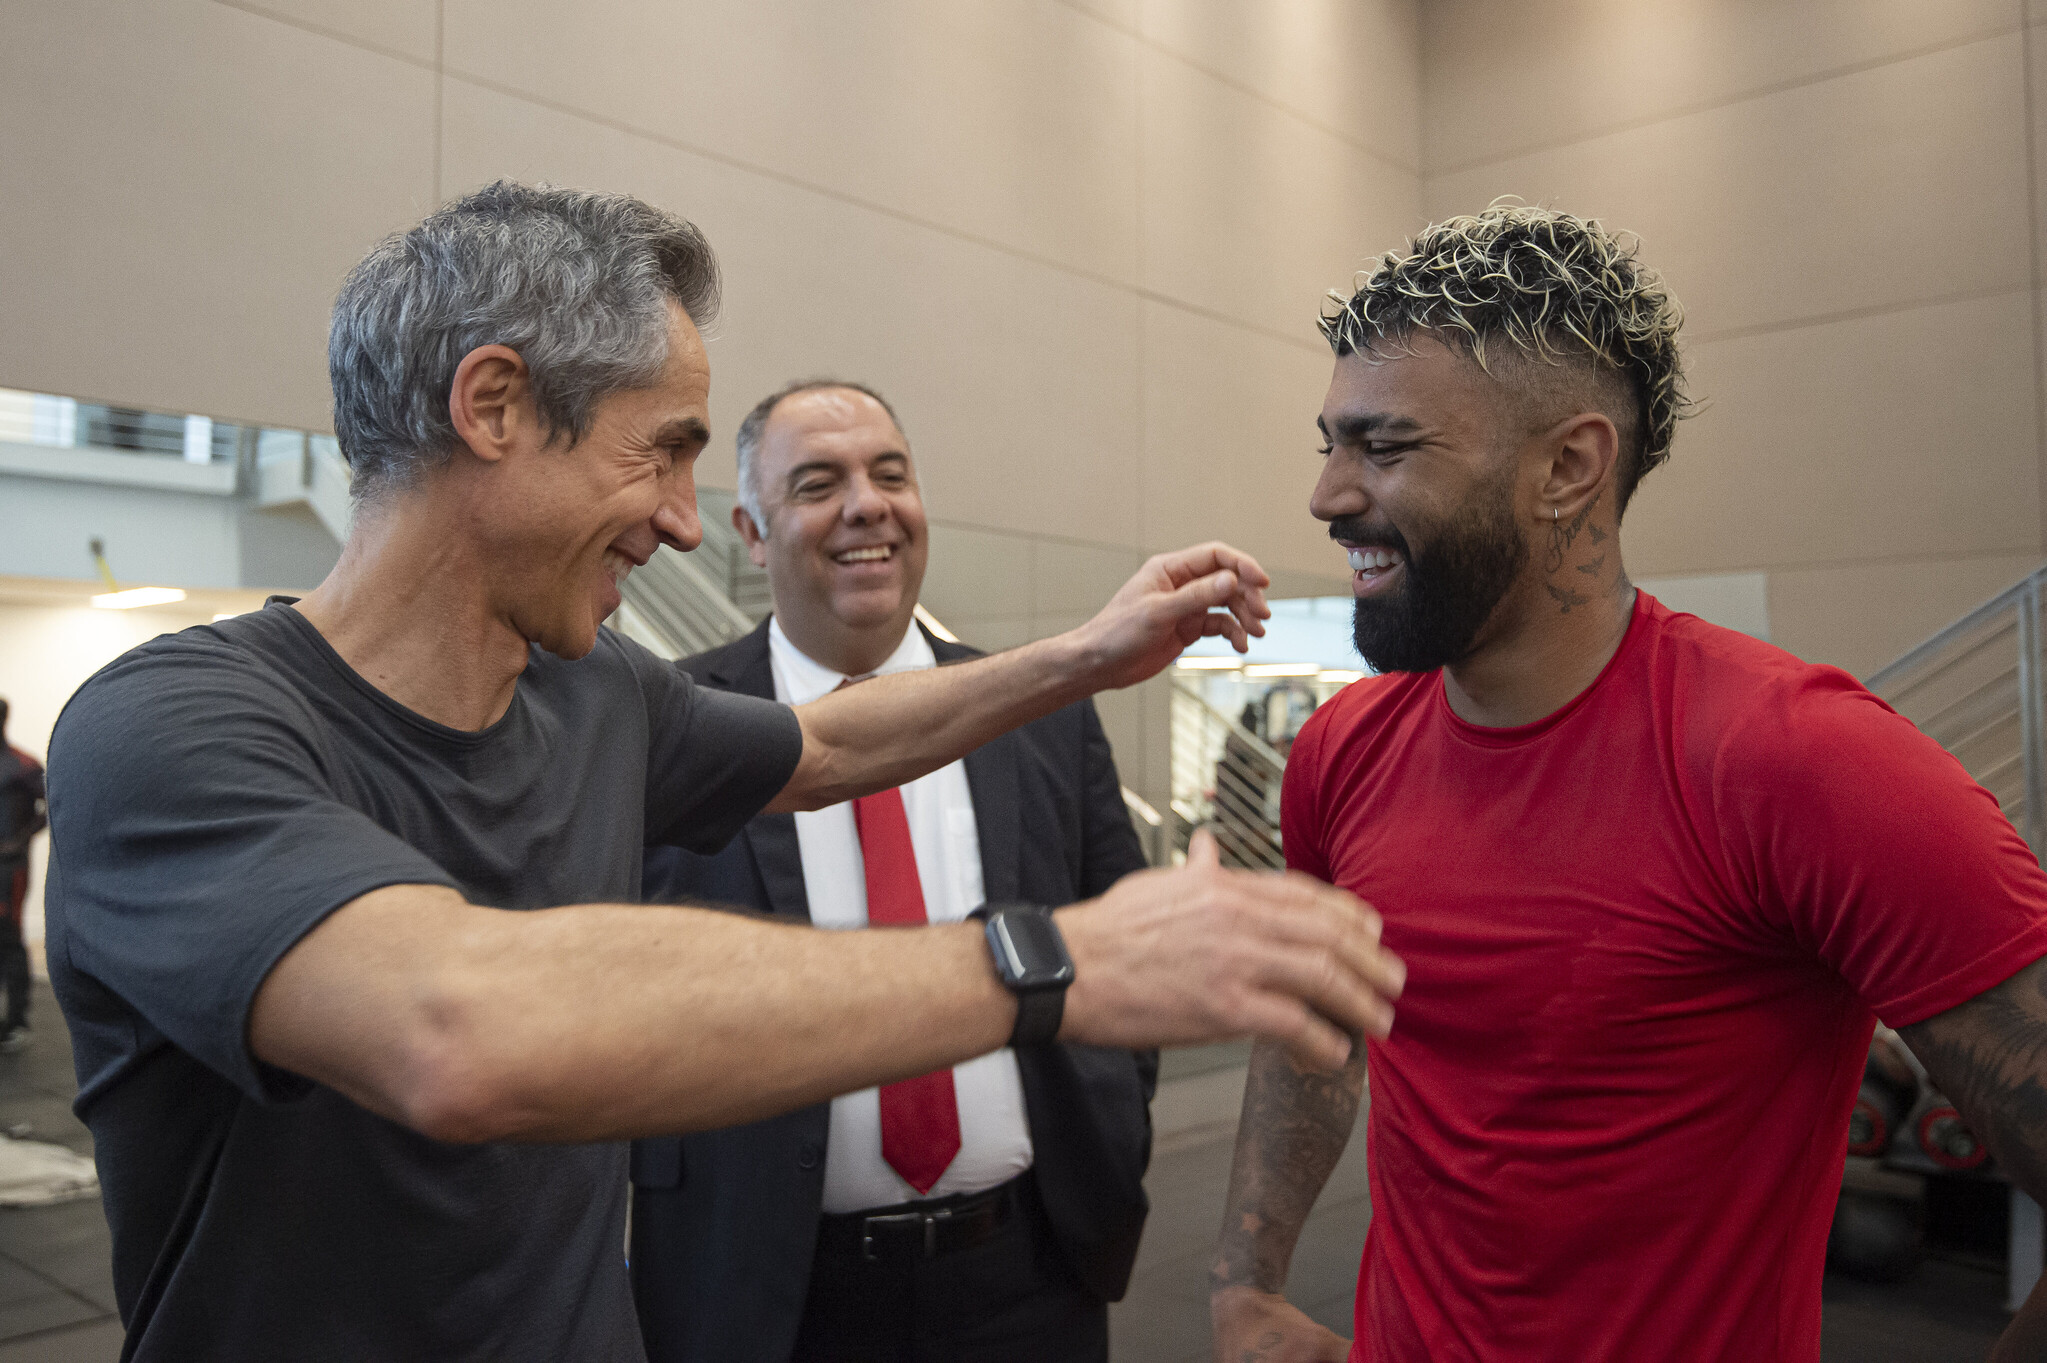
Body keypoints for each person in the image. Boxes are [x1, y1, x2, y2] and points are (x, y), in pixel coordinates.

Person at [43, 182, 1406, 1363]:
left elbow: (828, 744)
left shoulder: (596, 689)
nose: (686, 523)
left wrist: (1082, 655)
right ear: (494, 405)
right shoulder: (174, 727)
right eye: (660, 453)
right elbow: (456, 1028)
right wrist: (1053, 962)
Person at [1206, 204, 2047, 1363]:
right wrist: (1244, 1283)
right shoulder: (1342, 750)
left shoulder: (1801, 763)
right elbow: (1310, 1020)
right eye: (1329, 444)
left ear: (1569, 466)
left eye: (1384, 448)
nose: (1328, 495)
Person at [632, 378, 1154, 1363]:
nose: (866, 505)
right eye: (818, 483)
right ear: (750, 531)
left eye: (890, 475)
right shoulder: (674, 729)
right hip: (767, 1299)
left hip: (1032, 1276)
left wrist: (1114, 1123)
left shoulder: (1039, 712)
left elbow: (1115, 936)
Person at [0, 699, 45, 1053]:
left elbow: (51, 805)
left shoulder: (23, 765)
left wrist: (20, 839)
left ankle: (16, 1022)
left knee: (10, 937)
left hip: (10, 868)